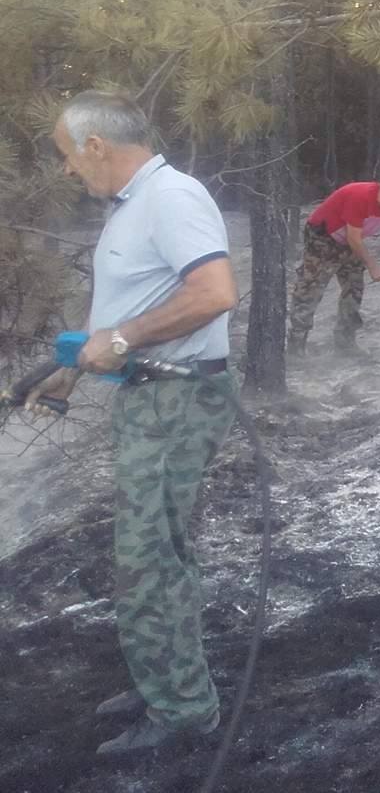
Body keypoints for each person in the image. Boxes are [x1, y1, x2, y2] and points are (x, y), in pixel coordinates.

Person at [26, 91, 238, 754]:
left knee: (151, 557)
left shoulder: (171, 198)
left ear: (95, 146)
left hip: (177, 401)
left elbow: (214, 293)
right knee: (154, 550)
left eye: (66, 154)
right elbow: (132, 300)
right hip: (148, 398)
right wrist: (76, 365)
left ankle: (181, 709)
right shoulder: (132, 207)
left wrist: (119, 341)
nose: (66, 170)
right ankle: (162, 678)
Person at [287, 173, 380, 355]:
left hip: (349, 241)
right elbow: (353, 238)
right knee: (311, 289)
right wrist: (373, 266)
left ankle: (345, 343)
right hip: (322, 237)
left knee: (354, 289)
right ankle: (296, 345)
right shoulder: (360, 196)